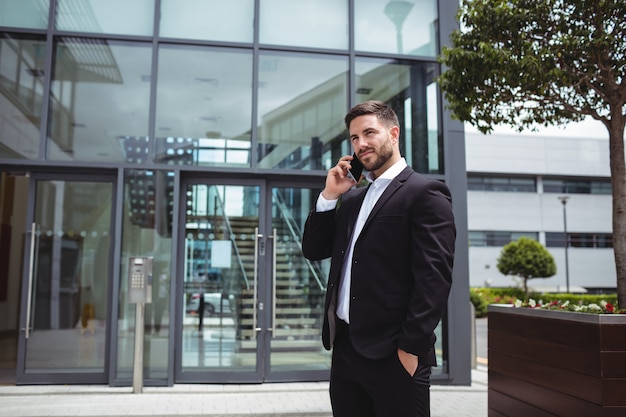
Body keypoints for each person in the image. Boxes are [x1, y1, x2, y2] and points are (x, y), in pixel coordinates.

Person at [302, 100, 456, 417]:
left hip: (394, 355)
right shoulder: (353, 196)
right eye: (354, 138)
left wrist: (409, 351)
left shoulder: (426, 192)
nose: (361, 144)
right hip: (346, 352)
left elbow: (434, 279)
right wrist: (330, 196)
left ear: (393, 133)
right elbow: (314, 249)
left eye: (369, 133)